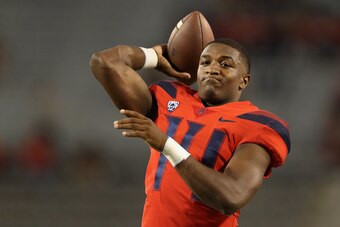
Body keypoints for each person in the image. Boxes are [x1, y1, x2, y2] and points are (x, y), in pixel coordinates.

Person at [90, 38, 290, 226]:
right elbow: (104, 62)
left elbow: (231, 197)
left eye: (225, 64)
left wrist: (167, 145)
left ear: (244, 81)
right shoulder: (169, 98)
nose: (212, 69)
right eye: (205, 62)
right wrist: (154, 56)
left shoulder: (257, 124)